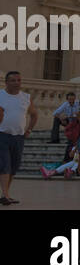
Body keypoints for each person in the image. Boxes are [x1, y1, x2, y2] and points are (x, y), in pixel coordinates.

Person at [0, 71, 37, 206]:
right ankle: (5, 195)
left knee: (13, 166)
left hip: (19, 137)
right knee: (5, 164)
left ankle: (6, 194)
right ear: (7, 82)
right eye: (13, 80)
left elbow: (34, 115)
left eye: (19, 80)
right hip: (2, 135)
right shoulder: (0, 95)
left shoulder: (26, 98)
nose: (16, 83)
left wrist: (29, 129)